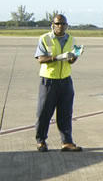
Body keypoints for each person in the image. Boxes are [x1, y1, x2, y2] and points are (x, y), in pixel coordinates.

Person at [34, 14, 82, 152]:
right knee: (44, 112)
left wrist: (75, 56)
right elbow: (40, 59)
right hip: (49, 80)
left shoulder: (71, 39)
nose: (60, 26)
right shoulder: (45, 38)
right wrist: (57, 57)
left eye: (63, 24)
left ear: (67, 25)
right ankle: (41, 141)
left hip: (65, 80)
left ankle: (67, 142)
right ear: (53, 25)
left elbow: (70, 61)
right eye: (58, 23)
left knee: (66, 112)